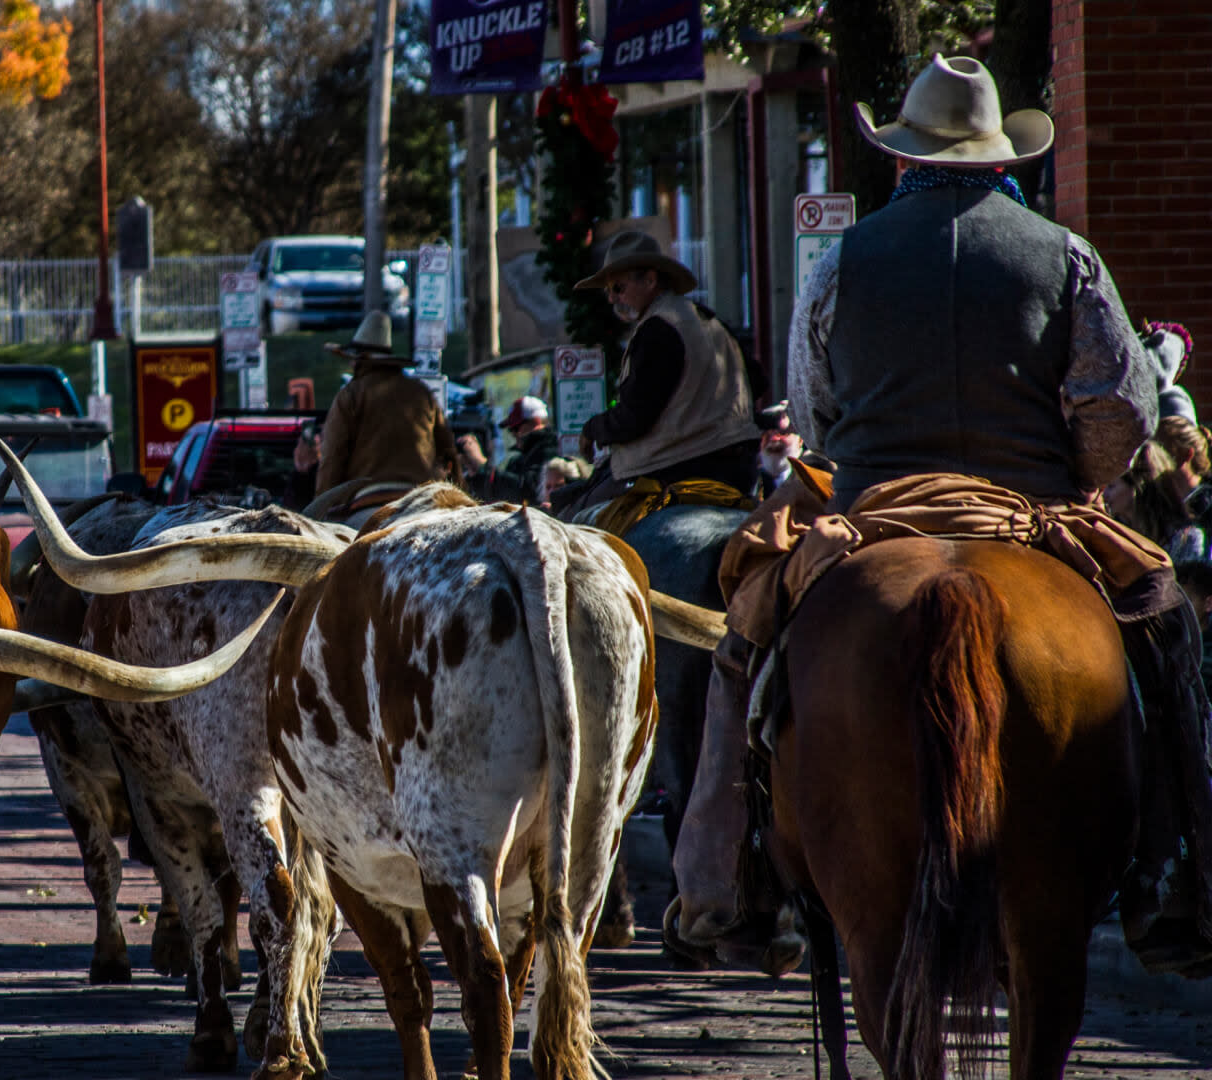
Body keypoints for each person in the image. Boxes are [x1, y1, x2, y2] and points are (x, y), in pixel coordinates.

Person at [703, 54, 1212, 973]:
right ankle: (1178, 874)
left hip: (873, 508)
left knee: (748, 634)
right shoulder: (1065, 255)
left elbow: (814, 410)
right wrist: (1072, 482)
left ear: (904, 159)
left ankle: (743, 883)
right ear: (996, 161)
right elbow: (1124, 407)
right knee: (1167, 626)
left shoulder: (841, 262)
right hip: (1030, 505)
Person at [564, 230, 758, 515]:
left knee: (573, 519)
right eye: (608, 291)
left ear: (651, 280)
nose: (611, 298)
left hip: (673, 469)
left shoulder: (657, 329)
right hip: (740, 470)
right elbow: (757, 381)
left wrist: (592, 430)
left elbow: (634, 417)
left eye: (618, 288)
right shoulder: (709, 319)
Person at [315, 311, 459, 496]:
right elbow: (448, 450)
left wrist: (322, 508)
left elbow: (333, 456)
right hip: (420, 496)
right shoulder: (421, 392)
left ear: (359, 361)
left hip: (368, 494)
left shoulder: (351, 395)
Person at [459, 396, 557, 504]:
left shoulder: (551, 452)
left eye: (515, 428)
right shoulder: (520, 459)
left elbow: (529, 491)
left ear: (536, 423)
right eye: (511, 429)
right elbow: (495, 497)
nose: (513, 433)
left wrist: (482, 464)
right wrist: (475, 471)